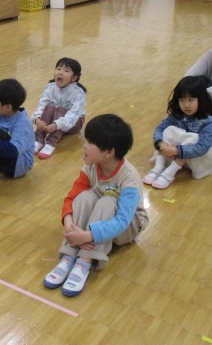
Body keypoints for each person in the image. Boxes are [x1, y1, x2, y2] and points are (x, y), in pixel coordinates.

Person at [43, 114, 148, 297]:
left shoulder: (128, 179)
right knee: (85, 197)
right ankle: (69, 256)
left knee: (108, 201)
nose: (84, 145)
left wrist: (88, 235)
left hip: (128, 225)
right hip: (101, 215)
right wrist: (68, 222)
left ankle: (85, 261)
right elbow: (71, 198)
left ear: (109, 153)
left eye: (90, 142)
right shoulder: (90, 167)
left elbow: (122, 221)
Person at [143, 76, 212, 190]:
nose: (186, 105)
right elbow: (159, 129)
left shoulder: (208, 121)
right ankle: (158, 168)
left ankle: (169, 173)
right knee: (168, 130)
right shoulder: (177, 115)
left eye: (191, 100)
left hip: (198, 160)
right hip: (175, 157)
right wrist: (160, 144)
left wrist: (176, 151)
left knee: (193, 137)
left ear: (200, 99)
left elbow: (202, 147)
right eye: (182, 100)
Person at [32, 57, 86, 160]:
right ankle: (38, 140)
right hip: (53, 121)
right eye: (58, 68)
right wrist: (37, 119)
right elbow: (41, 105)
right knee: (49, 107)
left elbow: (73, 116)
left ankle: (51, 144)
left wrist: (56, 125)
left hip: (74, 123)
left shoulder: (78, 93)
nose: (60, 72)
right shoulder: (50, 87)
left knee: (60, 110)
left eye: (66, 71)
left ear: (74, 78)